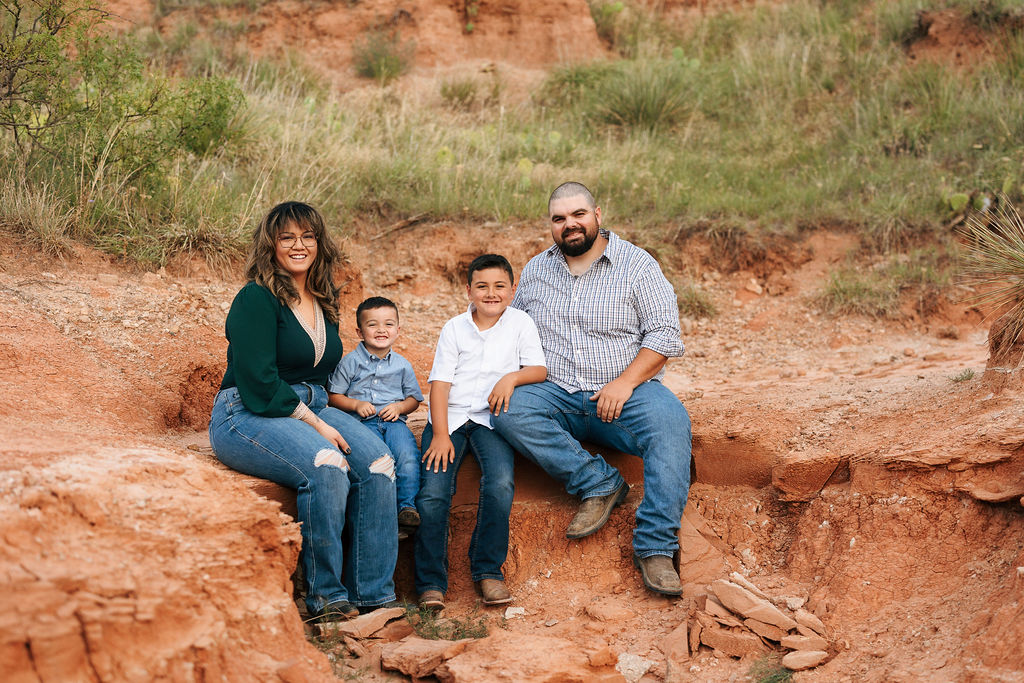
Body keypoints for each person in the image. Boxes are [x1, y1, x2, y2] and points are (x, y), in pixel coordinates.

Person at [492, 182, 692, 596]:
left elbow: (664, 336)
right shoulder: (535, 270)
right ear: (551, 224)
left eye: (578, 214)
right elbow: (511, 334)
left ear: (597, 214)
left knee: (671, 424)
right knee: (506, 408)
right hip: (556, 391)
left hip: (625, 393)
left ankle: (655, 546)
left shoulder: (637, 265)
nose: (570, 225)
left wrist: (624, 382)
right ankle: (598, 483)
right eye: (559, 218)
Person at [208, 201, 399, 621]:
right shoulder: (255, 298)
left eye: (307, 236)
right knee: (326, 463)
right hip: (247, 410)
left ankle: (374, 599)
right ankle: (327, 602)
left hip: (311, 402)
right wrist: (316, 425)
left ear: (319, 243)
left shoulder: (321, 299)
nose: (299, 245)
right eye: (287, 238)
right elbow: (258, 379)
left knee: (381, 465)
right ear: (270, 245)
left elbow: (325, 377)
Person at [415, 254, 547, 611]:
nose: (491, 293)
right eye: (482, 286)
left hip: (492, 419)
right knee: (433, 492)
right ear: (469, 290)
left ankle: (488, 571)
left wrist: (511, 377)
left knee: (501, 483)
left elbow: (538, 368)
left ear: (512, 289)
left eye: (500, 286)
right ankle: (430, 581)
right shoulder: (454, 328)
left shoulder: (521, 323)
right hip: (450, 418)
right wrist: (441, 435)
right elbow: (439, 386)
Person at [327, 297, 424, 539]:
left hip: (394, 423)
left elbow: (414, 399)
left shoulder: (402, 366)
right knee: (381, 461)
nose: (382, 330)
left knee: (408, 457)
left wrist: (400, 408)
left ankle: (406, 508)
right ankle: (383, 513)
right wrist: (355, 404)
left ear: (398, 330)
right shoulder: (350, 363)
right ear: (359, 331)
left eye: (389, 324)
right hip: (362, 424)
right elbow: (333, 395)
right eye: (373, 325)